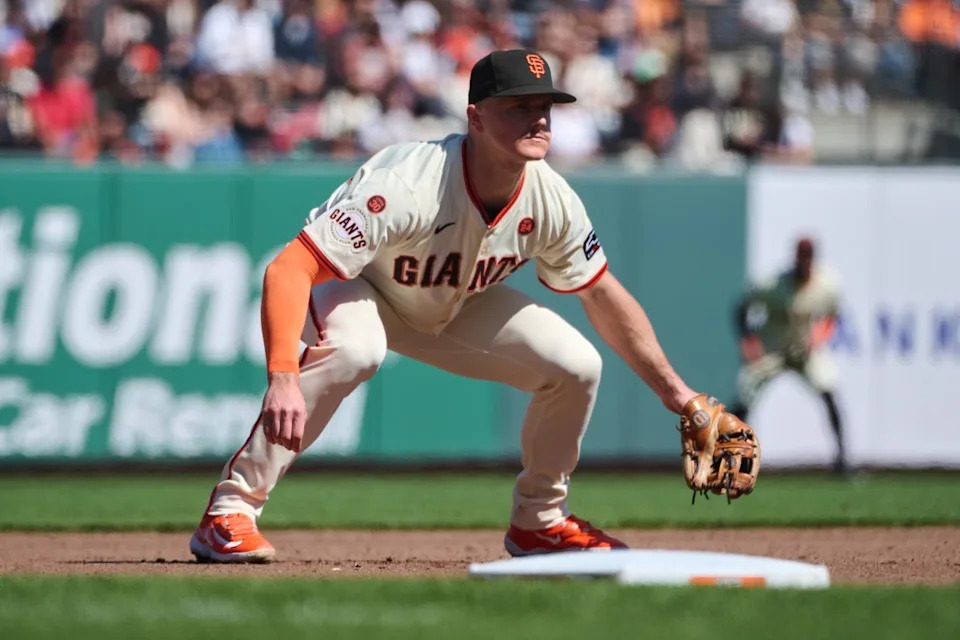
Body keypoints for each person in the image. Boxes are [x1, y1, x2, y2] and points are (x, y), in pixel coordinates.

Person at [189, 49, 708, 564]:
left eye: (545, 104)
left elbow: (601, 292)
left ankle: (540, 523)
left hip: (450, 302)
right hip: (361, 285)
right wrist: (283, 373)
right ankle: (229, 511)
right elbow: (287, 269)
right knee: (356, 350)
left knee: (576, 366)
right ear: (476, 118)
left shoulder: (552, 199)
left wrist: (683, 398)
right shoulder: (409, 183)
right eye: (519, 106)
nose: (539, 117)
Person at [728, 237, 848, 474]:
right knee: (745, 396)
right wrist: (749, 339)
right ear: (795, 257)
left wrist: (819, 336)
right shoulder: (773, 284)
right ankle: (730, 459)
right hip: (772, 348)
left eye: (808, 256)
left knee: (829, 391)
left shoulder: (828, 283)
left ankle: (842, 461)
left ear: (814, 259)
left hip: (804, 349)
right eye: (801, 256)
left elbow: (832, 316)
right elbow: (741, 306)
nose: (804, 261)